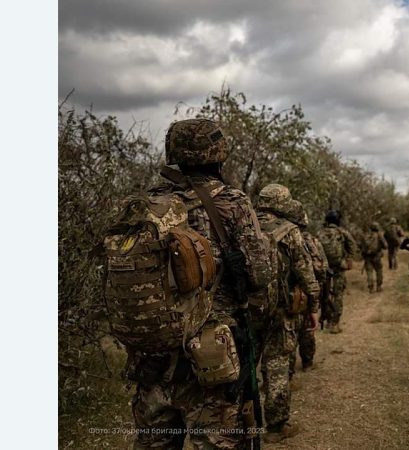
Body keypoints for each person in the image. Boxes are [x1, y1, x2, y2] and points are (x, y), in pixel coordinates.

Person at [107, 118, 272, 449]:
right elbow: (261, 273)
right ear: (218, 154)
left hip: (151, 357)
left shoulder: (144, 206)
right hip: (210, 360)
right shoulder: (232, 202)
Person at [253, 184, 320, 444]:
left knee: (244, 367)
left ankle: (239, 423)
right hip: (280, 312)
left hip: (246, 311)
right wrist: (312, 307)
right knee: (277, 365)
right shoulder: (290, 231)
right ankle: (276, 426)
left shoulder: (241, 225)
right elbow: (306, 274)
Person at [291, 205, 329, 373]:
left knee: (286, 333)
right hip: (305, 294)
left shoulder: (271, 236)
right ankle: (307, 362)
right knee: (307, 328)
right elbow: (322, 268)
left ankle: (287, 370)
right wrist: (316, 297)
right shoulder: (311, 241)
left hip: (284, 296)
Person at [317, 210, 358, 333]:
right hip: (339, 267)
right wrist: (348, 259)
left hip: (323, 268)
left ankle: (327, 319)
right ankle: (335, 323)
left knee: (325, 295)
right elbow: (353, 246)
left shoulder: (320, 233)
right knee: (338, 295)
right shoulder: (342, 232)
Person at [361, 221, 388, 293]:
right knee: (379, 271)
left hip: (367, 257)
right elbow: (385, 246)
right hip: (377, 256)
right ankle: (379, 287)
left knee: (369, 272)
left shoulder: (366, 235)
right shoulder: (379, 235)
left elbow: (361, 246)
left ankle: (371, 288)